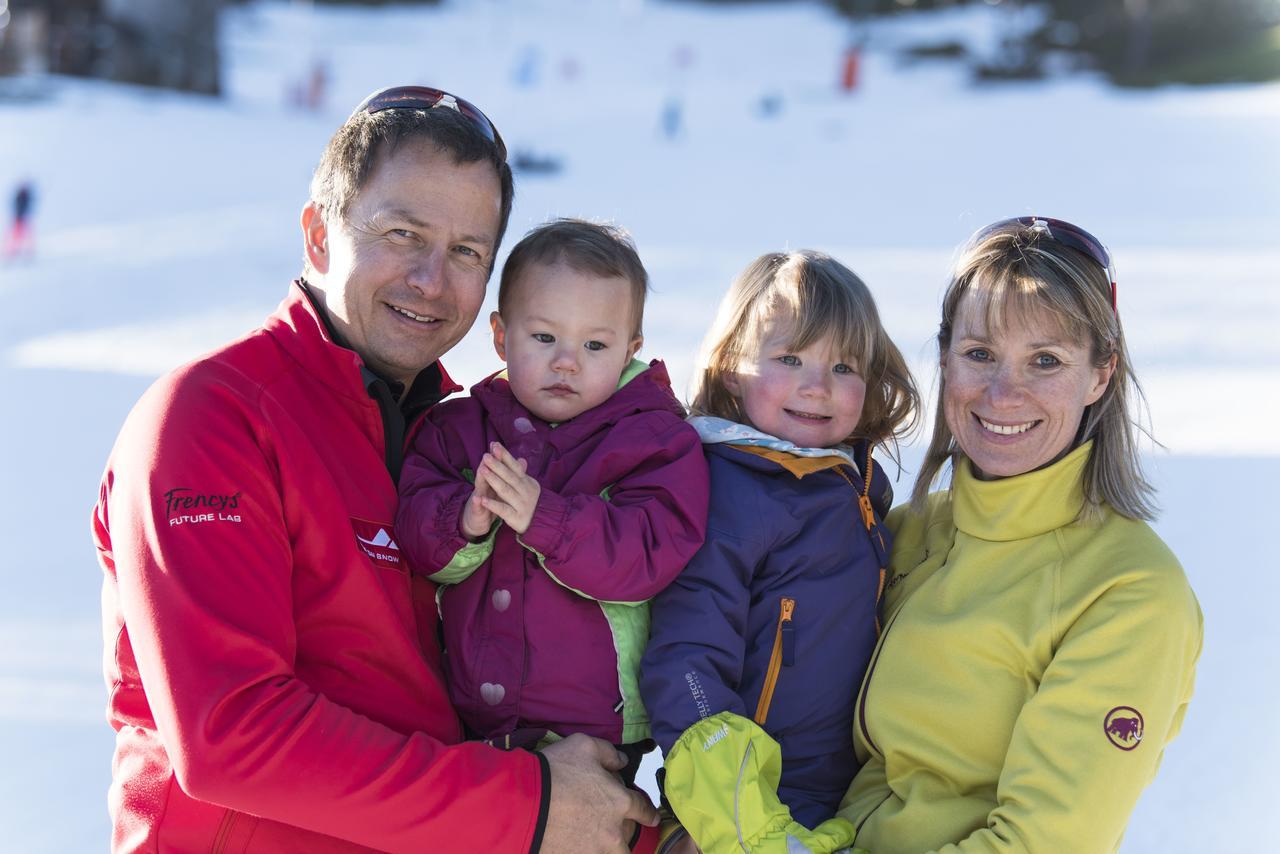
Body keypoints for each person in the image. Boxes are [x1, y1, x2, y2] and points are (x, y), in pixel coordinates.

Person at [92, 86, 658, 853]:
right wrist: (525, 804)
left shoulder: (467, 440)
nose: (431, 278)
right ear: (319, 235)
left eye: (466, 252)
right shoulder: (214, 417)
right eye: (402, 233)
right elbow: (232, 735)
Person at [838, 216, 1204, 852]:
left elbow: (1041, 844)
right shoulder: (905, 531)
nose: (1004, 393)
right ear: (945, 357)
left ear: (1100, 375)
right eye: (979, 354)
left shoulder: (1130, 592)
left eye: (1046, 361)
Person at [394, 218, 710, 834]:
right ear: (501, 335)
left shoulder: (655, 440)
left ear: (630, 347)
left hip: (595, 725)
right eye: (544, 337)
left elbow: (647, 555)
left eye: (595, 346)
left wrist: (547, 518)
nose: (567, 363)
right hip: (470, 718)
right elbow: (415, 528)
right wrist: (466, 520)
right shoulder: (457, 428)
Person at [641, 251, 920, 854]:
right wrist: (734, 819)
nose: (817, 386)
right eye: (790, 358)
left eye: (843, 366)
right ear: (731, 369)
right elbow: (687, 659)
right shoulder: (727, 493)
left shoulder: (855, 490)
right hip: (745, 812)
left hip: (842, 801)